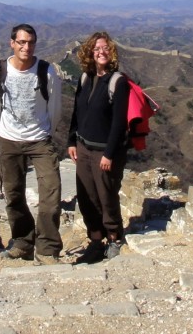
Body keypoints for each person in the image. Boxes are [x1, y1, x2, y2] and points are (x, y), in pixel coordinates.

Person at [0, 23, 63, 264]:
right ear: (12, 43)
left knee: (51, 195)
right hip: (9, 140)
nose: (26, 47)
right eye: (21, 42)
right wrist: (2, 133)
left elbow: (55, 109)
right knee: (13, 195)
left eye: (30, 42)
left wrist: (46, 131)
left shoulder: (46, 71)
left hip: (40, 139)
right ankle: (22, 242)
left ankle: (47, 249)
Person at [68, 31, 131, 263]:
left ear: (111, 52)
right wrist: (71, 141)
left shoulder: (118, 82)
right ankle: (96, 240)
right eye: (96, 49)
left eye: (105, 48)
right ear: (90, 53)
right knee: (86, 198)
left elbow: (119, 123)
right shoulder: (86, 78)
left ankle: (114, 238)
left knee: (106, 197)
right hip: (83, 149)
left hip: (104, 152)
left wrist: (109, 154)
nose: (101, 52)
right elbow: (77, 112)